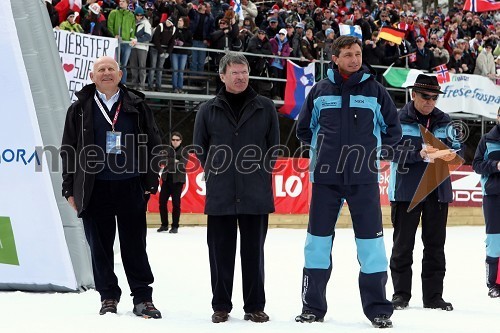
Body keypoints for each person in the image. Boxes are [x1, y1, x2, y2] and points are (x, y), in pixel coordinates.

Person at [295, 36, 402, 328]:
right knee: (316, 245)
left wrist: (372, 152)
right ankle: (312, 308)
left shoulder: (376, 91)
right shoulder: (319, 91)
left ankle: (379, 309)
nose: (354, 59)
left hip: (364, 180)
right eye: (348, 55)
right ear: (335, 58)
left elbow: (393, 130)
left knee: (372, 247)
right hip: (326, 179)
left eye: (357, 54)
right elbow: (304, 129)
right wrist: (324, 151)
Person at [60, 56, 162, 318]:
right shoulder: (80, 108)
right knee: (100, 247)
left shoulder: (137, 105)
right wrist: (69, 189)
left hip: (130, 185)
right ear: (92, 76)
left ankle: (142, 297)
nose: (106, 73)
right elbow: (68, 150)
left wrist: (150, 180)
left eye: (110, 69)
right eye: (100, 70)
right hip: (94, 187)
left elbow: (153, 143)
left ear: (120, 74)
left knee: (135, 244)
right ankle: (107, 296)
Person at [193, 52, 279, 324]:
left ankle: (254, 305)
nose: (241, 77)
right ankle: (221, 305)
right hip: (221, 192)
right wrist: (217, 172)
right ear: (222, 76)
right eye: (235, 72)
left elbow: (273, 147)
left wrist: (257, 171)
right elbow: (200, 147)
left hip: (255, 192)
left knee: (254, 253)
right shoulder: (207, 109)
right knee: (220, 253)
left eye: (244, 72)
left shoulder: (265, 106)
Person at [388, 74, 461, 312]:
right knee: (402, 246)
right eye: (425, 97)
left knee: (435, 246)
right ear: (413, 95)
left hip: (437, 191)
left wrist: (445, 153)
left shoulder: (445, 120)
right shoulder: (398, 119)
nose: (430, 101)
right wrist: (417, 154)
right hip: (406, 192)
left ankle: (433, 297)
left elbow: (457, 151)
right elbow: (389, 150)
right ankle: (400, 294)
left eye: (434, 97)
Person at [472, 107, 500, 298]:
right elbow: (476, 164)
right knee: (494, 240)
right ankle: (494, 284)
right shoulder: (487, 139)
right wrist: (496, 165)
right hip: (493, 196)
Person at [157, 132, 188, 234]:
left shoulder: (184, 151)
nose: (175, 142)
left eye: (177, 140)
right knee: (162, 203)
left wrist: (170, 161)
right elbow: (162, 161)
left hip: (177, 182)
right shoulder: (166, 150)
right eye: (173, 140)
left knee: (176, 204)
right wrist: (174, 160)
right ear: (171, 140)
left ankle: (175, 226)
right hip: (166, 180)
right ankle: (164, 225)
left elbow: (181, 165)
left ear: (180, 141)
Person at [108, 0, 136, 85]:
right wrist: (114, 36)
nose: (121, 2)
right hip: (116, 42)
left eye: (123, 1)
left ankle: (122, 82)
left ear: (127, 3)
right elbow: (109, 26)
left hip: (127, 43)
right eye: (120, 1)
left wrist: (132, 38)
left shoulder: (131, 15)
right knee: (115, 64)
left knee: (124, 64)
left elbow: (133, 28)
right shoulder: (114, 13)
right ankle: (113, 81)